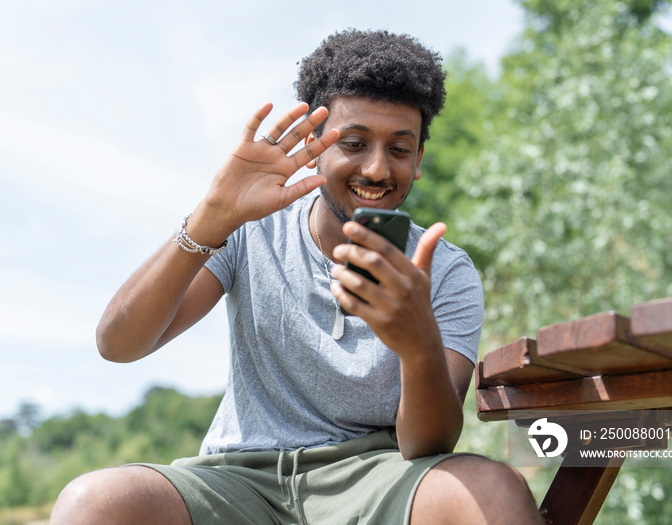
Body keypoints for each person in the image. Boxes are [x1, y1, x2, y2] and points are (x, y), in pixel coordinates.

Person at [50, 29, 542, 525]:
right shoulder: (249, 231)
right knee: (92, 502)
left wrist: (416, 346)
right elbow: (118, 343)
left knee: (495, 492)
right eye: (353, 143)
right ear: (313, 144)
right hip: (239, 478)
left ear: (417, 162)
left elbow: (429, 444)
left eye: (399, 149)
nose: (376, 168)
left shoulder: (446, 270)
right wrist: (210, 217)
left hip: (374, 479)